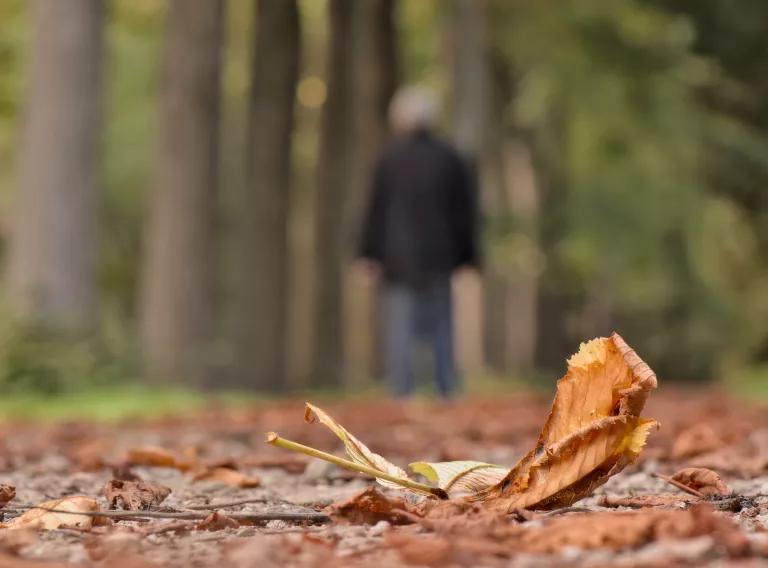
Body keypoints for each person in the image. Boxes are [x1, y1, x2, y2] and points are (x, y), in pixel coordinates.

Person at [357, 86, 480, 399]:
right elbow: (465, 212)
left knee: (401, 327)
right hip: (441, 256)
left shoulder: (389, 160)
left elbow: (376, 211)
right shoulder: (451, 158)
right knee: (441, 325)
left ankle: (402, 392)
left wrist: (368, 254)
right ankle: (446, 388)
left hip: (397, 257)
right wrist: (468, 256)